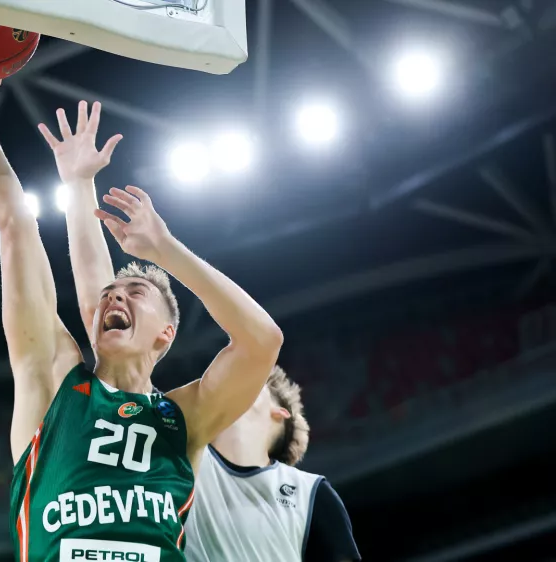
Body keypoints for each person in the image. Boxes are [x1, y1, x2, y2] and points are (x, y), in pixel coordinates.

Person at [0, 38, 283, 562]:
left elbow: (262, 341)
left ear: (166, 334)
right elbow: (14, 223)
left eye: (135, 293)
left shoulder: (183, 419)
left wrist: (165, 250)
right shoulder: (52, 381)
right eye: (111, 296)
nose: (115, 296)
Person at [42, 101, 361, 562]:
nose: (229, 378)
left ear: (281, 415)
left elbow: (261, 344)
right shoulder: (171, 437)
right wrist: (79, 189)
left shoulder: (309, 494)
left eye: (256, 386)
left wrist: (163, 247)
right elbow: (101, 308)